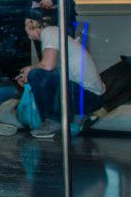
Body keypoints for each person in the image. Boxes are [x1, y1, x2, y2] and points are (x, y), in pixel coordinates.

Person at [19, 8, 106, 139]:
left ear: (30, 23)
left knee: (36, 74)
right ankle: (79, 117)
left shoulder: (49, 32)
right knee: (36, 75)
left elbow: (47, 66)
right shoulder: (56, 33)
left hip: (87, 97)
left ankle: (54, 122)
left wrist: (30, 70)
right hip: (90, 98)